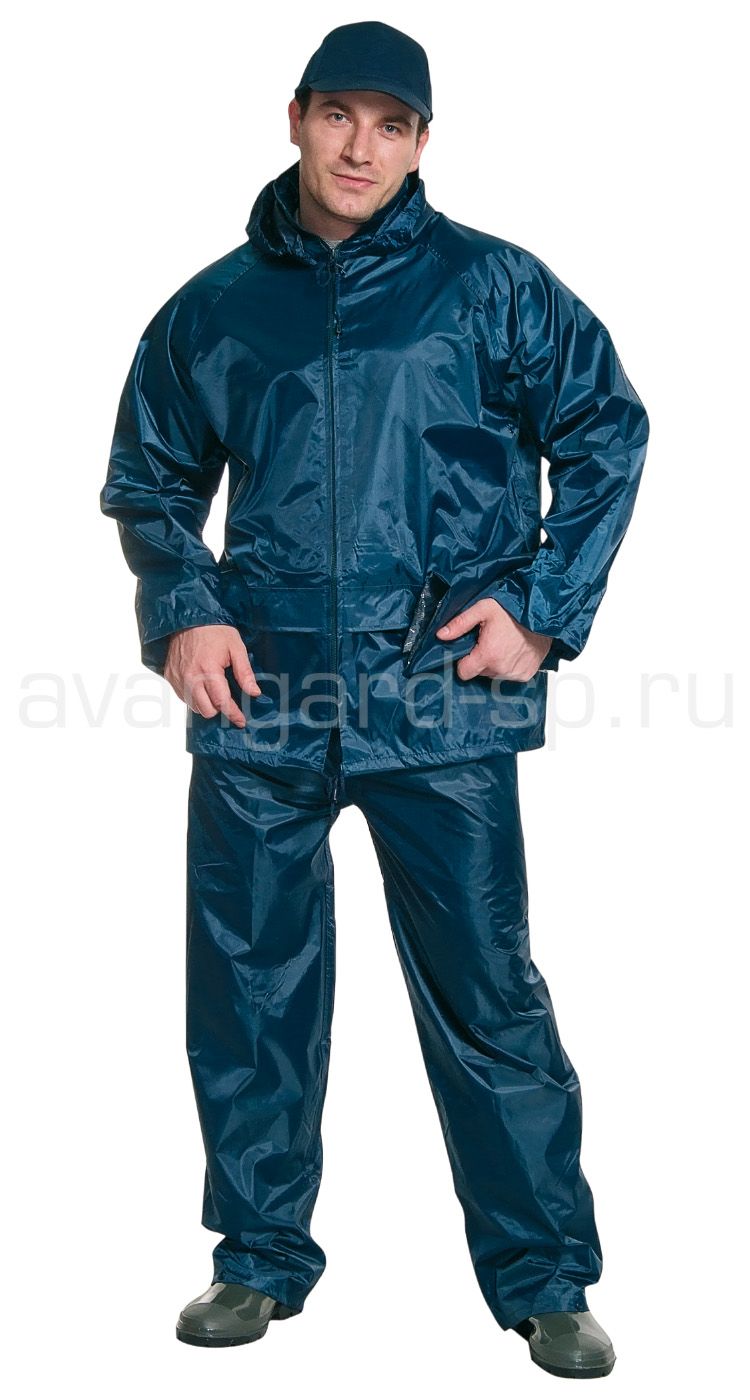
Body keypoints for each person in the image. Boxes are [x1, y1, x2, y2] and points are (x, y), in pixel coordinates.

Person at [100, 20, 648, 1379]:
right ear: (295, 117)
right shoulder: (214, 309)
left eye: (390, 124)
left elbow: (606, 429)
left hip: (439, 698)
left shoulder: (494, 289)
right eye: (340, 115)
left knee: (488, 992)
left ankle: (545, 1277)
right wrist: (184, 608)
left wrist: (541, 606)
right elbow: (151, 477)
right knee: (249, 987)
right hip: (263, 700)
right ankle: (255, 1259)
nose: (361, 146)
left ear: (421, 143)